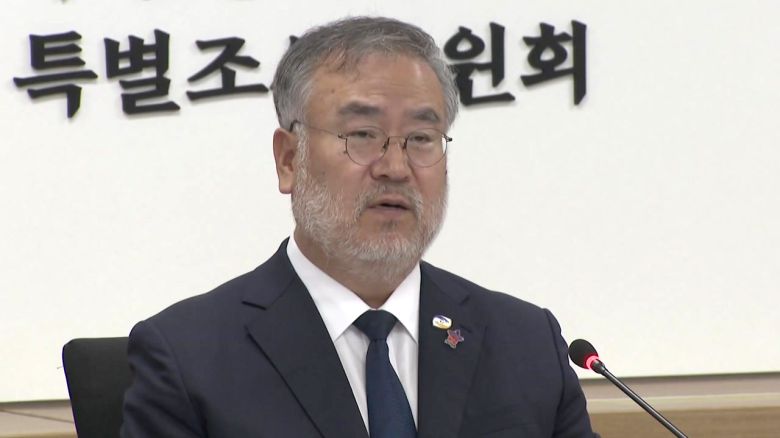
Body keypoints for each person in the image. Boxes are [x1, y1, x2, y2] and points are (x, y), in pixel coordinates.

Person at [120, 16, 594, 438]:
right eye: (363, 135)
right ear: (289, 160)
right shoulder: (189, 358)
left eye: (421, 138)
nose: (396, 167)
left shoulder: (527, 344)